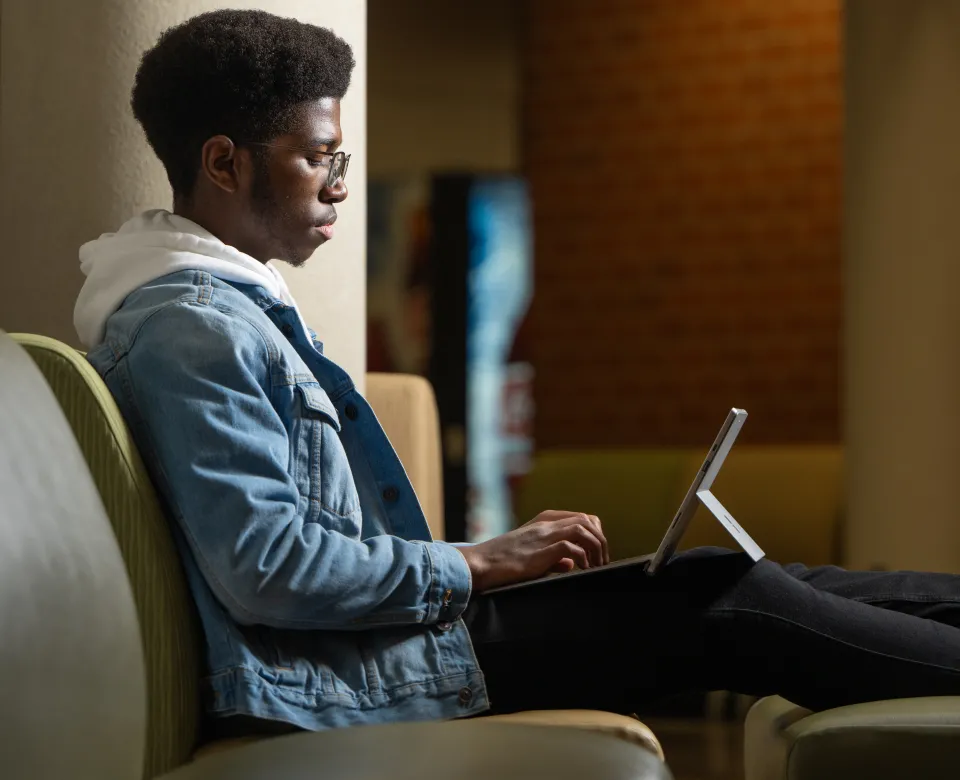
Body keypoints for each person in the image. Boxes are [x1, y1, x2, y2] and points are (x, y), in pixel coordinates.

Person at [74, 9, 960, 740]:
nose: (340, 185)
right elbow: (265, 568)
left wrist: (488, 567)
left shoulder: (225, 307)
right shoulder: (193, 328)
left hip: (370, 648)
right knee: (726, 600)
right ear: (223, 162)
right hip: (332, 686)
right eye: (319, 157)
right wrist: (481, 560)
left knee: (753, 578)